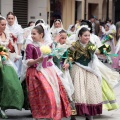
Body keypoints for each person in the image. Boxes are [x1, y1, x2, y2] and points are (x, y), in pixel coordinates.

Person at [25, 24, 71, 120]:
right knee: (40, 97)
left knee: (53, 95)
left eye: (34, 34)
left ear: (41, 34)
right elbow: (28, 62)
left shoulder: (48, 45)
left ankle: (51, 116)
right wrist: (38, 60)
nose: (32, 36)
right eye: (31, 34)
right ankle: (39, 116)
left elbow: (50, 58)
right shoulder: (30, 46)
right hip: (35, 73)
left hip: (48, 71)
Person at [68, 26, 102, 120]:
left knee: (90, 91)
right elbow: (69, 56)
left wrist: (104, 50)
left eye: (88, 35)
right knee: (77, 92)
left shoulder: (90, 45)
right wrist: (68, 63)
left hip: (89, 69)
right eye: (85, 35)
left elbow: (98, 52)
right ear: (79, 36)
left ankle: (89, 115)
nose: (87, 37)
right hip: (77, 68)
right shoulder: (74, 45)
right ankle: (73, 116)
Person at [0, 16, 24, 119]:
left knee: (11, 84)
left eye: (5, 24)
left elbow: (10, 48)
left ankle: (3, 106)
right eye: (2, 24)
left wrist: (13, 52)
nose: (4, 26)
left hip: (6, 60)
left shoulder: (7, 34)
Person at [6, 12, 24, 78]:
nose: (10, 20)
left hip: (15, 49)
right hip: (6, 49)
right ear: (6, 19)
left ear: (14, 19)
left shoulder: (18, 28)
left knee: (16, 68)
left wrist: (18, 53)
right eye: (9, 18)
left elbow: (20, 42)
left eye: (12, 18)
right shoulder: (4, 26)